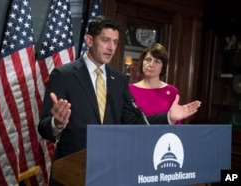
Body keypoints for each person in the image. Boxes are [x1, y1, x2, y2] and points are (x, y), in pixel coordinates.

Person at [38, 15, 201, 185]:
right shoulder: (64, 75)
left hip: (108, 171)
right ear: (89, 40)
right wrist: (57, 123)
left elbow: (133, 121)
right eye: (106, 40)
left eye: (115, 42)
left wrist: (168, 117)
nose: (111, 47)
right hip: (71, 172)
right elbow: (43, 127)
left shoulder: (119, 79)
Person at [129, 43, 181, 124]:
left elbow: (177, 124)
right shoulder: (129, 90)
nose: (151, 65)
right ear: (142, 62)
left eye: (157, 61)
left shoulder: (172, 91)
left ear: (163, 67)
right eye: (148, 59)